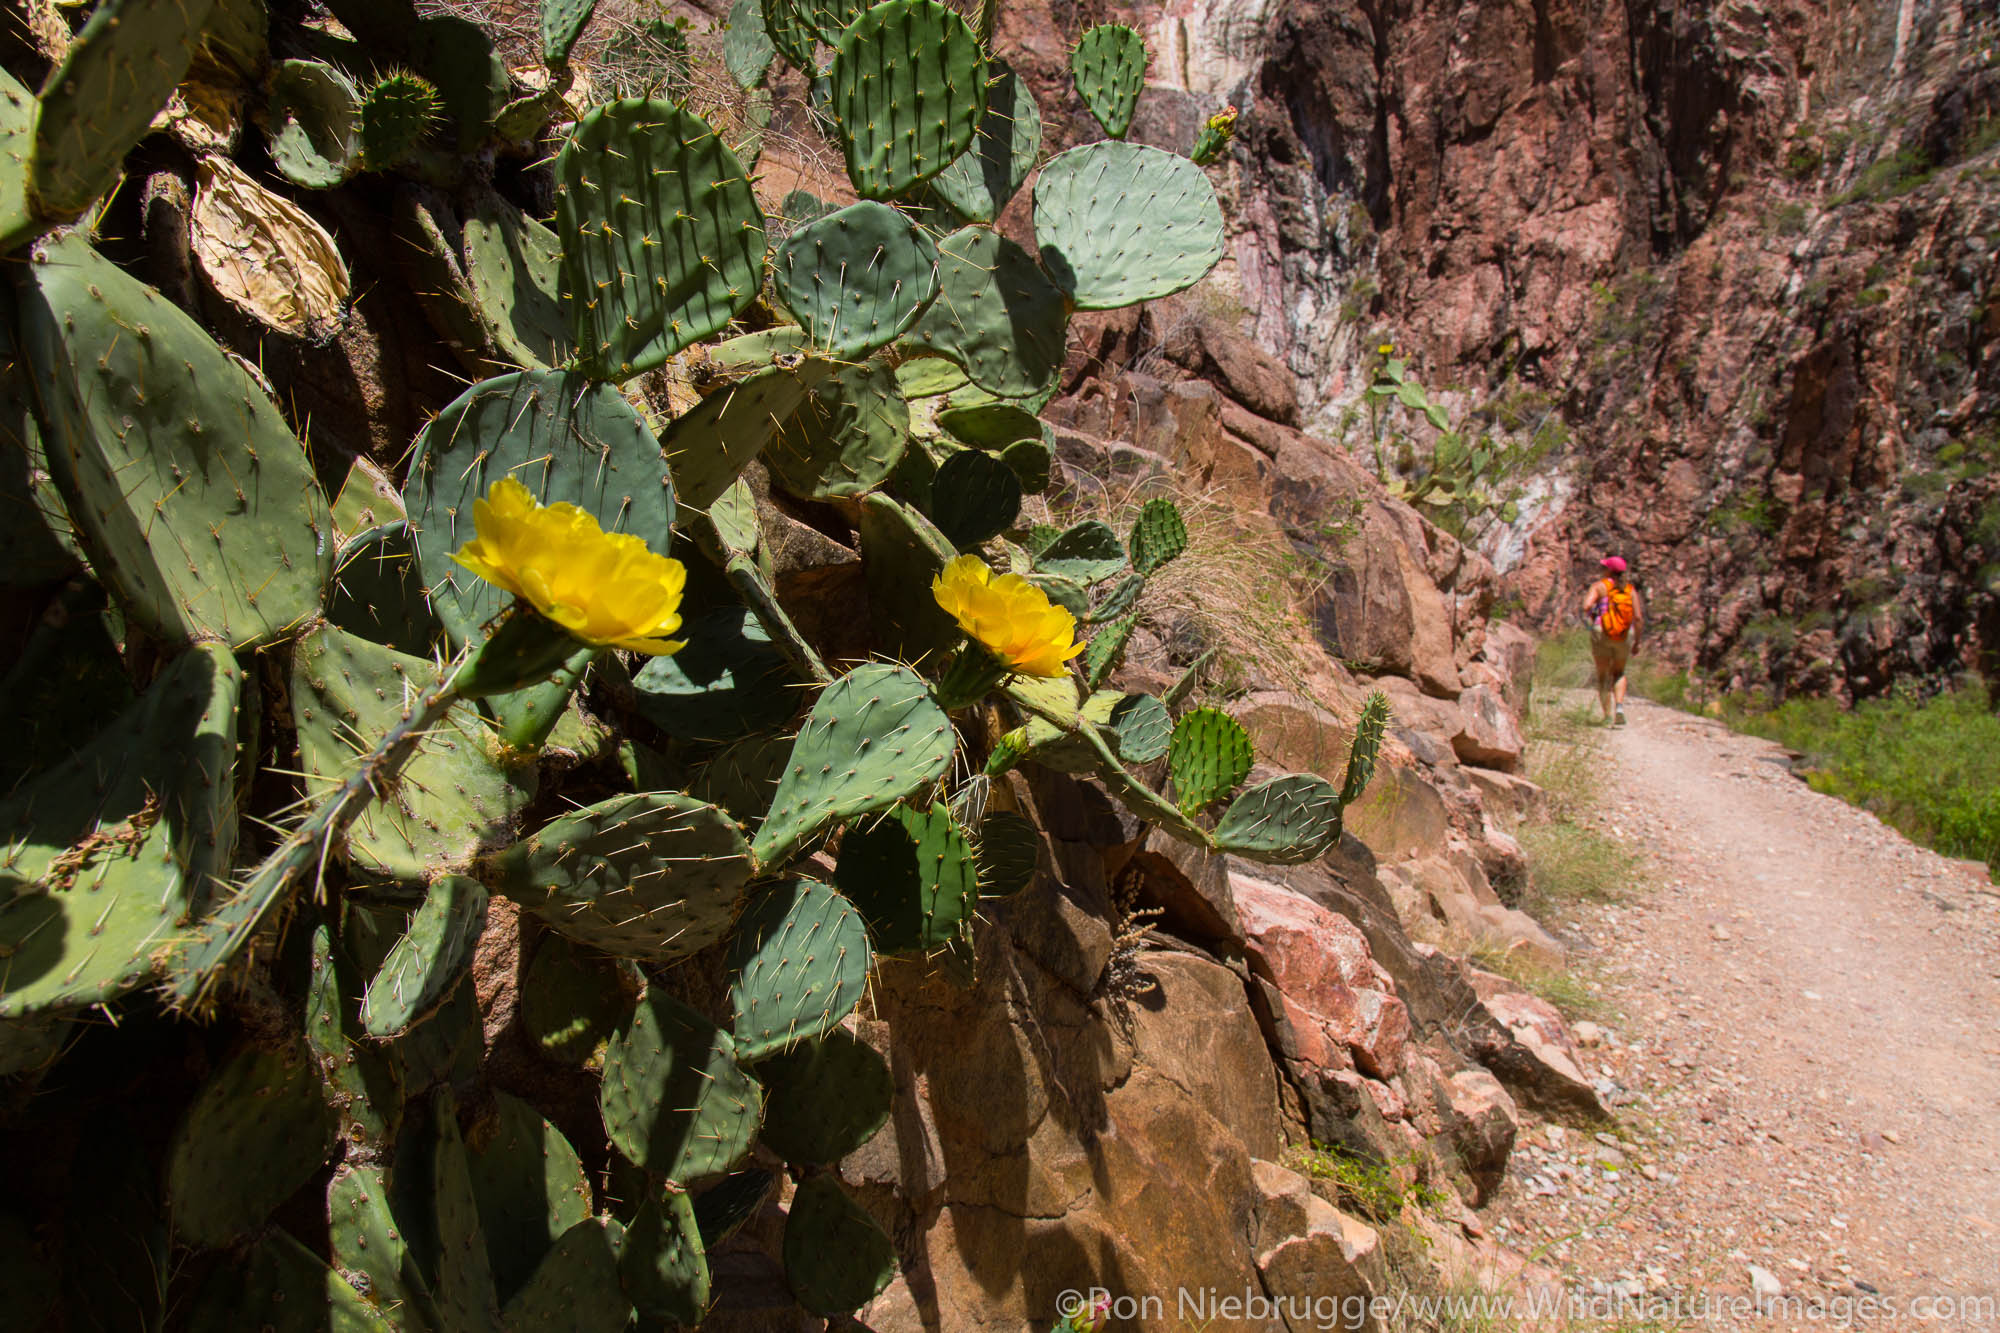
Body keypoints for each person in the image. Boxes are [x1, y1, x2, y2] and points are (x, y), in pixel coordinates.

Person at [1579, 556, 1642, 725]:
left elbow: (1586, 606)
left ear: (1608, 571)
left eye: (1604, 567)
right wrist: (1637, 642)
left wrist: (1594, 613)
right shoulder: (1629, 590)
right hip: (1624, 634)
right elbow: (1637, 617)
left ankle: (1607, 716)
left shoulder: (1599, 587)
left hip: (1602, 632)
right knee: (1619, 672)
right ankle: (1619, 707)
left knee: (1602, 675)